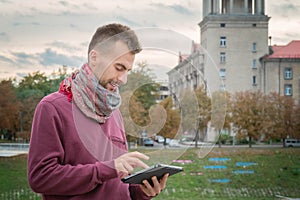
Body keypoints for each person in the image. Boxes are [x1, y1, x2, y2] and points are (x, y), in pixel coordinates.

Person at [27, 23, 169, 200]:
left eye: (128, 71)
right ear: (94, 57)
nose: (123, 79)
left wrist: (142, 192)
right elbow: (40, 178)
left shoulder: (113, 112)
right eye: (119, 68)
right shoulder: (52, 107)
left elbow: (117, 185)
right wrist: (107, 168)